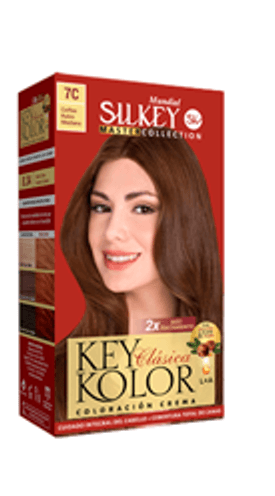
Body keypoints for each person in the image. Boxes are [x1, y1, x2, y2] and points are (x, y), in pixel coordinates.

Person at [55, 128, 223, 420]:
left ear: (187, 221)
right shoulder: (59, 375)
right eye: (101, 207)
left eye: (143, 208)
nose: (111, 232)